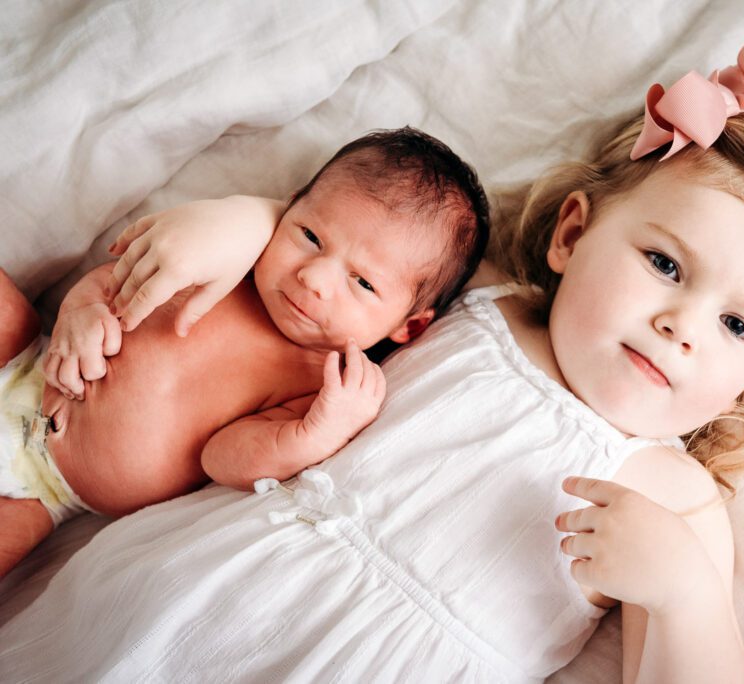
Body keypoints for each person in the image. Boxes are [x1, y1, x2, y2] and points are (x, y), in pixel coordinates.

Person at [0, 40, 744, 682]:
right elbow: (347, 255)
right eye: (667, 266)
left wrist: (685, 595)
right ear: (572, 233)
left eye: (739, 328)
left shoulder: (675, 496)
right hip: (188, 593)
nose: (683, 326)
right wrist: (239, 219)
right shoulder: (476, 303)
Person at [0, 127, 490, 577]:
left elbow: (222, 459)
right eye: (311, 237)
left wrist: (313, 434)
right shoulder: (234, 264)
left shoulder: (318, 384)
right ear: (291, 205)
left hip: (47, 492)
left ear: (410, 326)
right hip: (27, 359)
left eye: (362, 282)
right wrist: (80, 314)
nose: (314, 279)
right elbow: (116, 279)